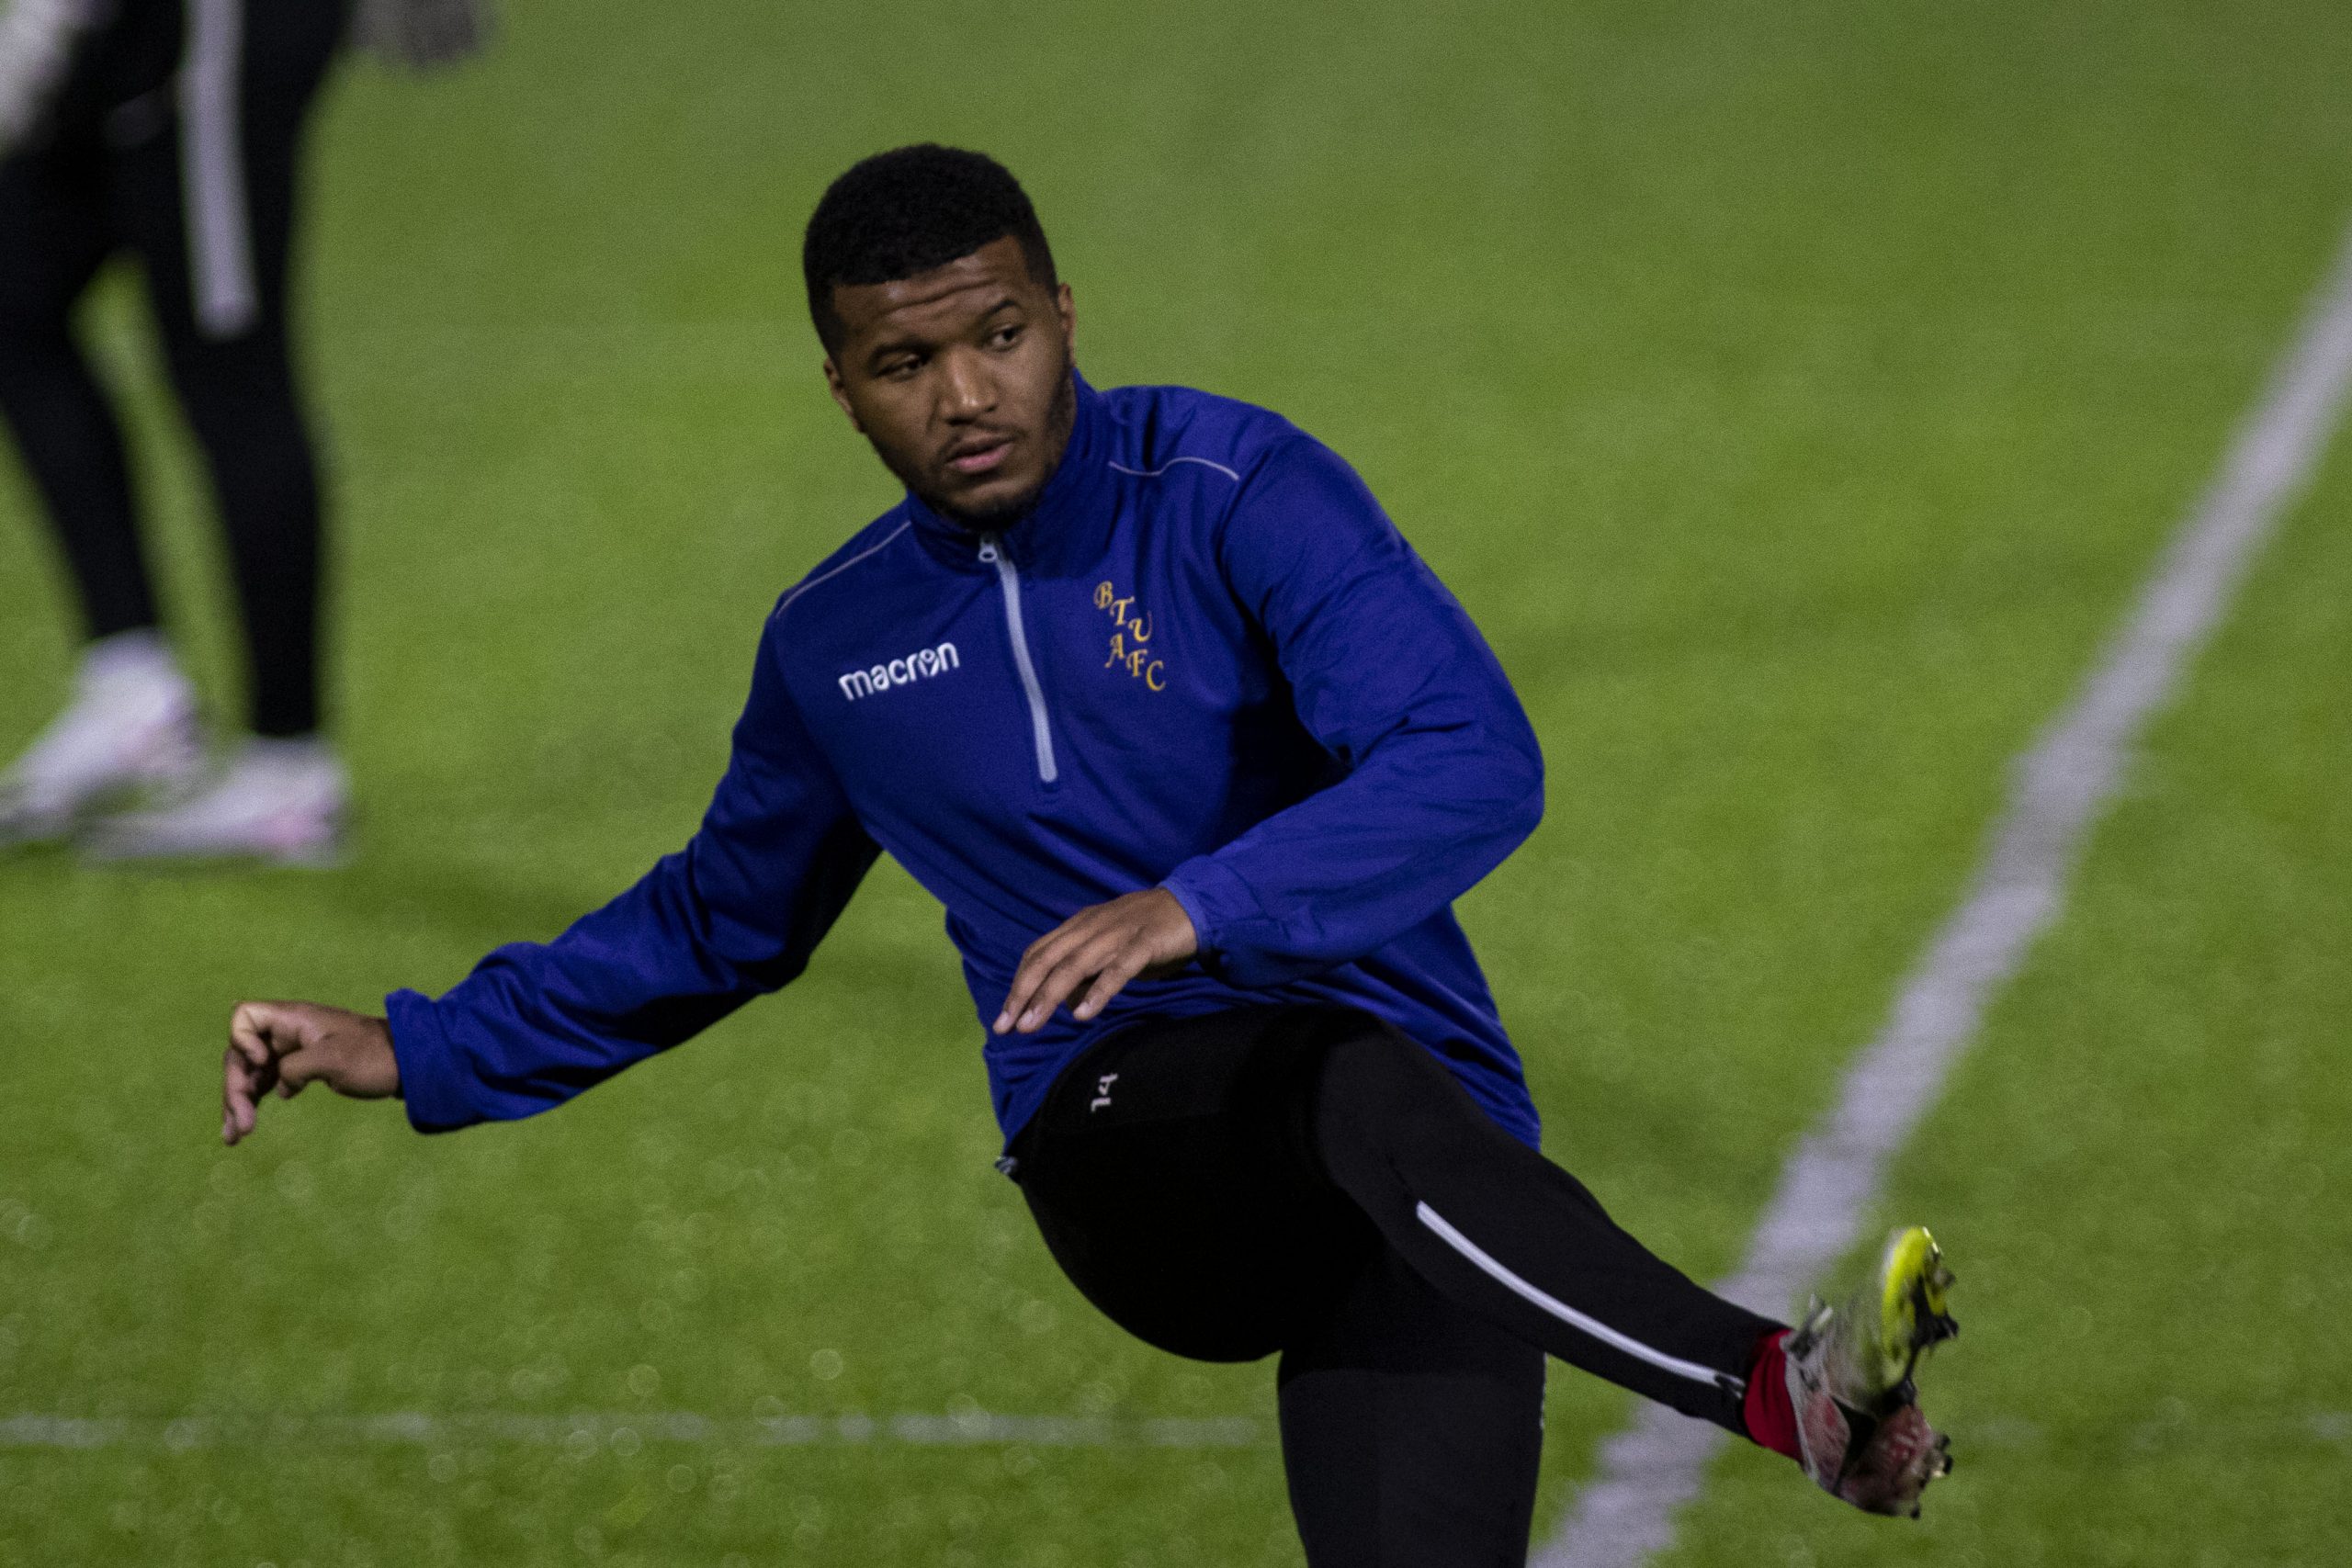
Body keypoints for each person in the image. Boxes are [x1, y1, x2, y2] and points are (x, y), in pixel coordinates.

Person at [215, 145, 1957, 1561]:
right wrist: (416, 1044)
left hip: (1437, 1188)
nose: (963, 395)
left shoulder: (1232, 485)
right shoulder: (835, 643)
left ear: (1063, 312)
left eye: (996, 335)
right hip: (1129, 1149)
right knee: (1342, 1072)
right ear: (840, 389)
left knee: (1388, 1109)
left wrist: (1201, 902)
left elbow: (1473, 757)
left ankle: (1779, 1395)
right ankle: (1774, 1390)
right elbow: (720, 920)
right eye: (903, 364)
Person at [0, 0, 485, 861]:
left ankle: (287, 769)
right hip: (127, 36)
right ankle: (132, 690)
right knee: (13, 303)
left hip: (213, 32)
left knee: (230, 372)